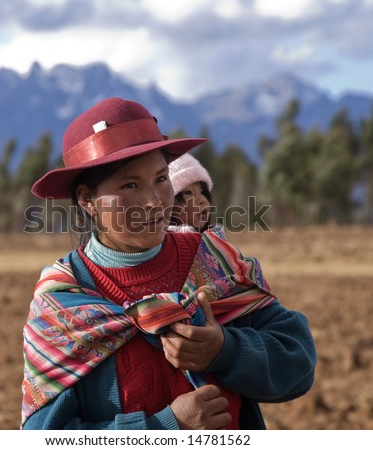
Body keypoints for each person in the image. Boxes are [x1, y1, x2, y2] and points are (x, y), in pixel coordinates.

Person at [21, 97, 316, 430]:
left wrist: (225, 351)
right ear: (88, 199)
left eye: (161, 180)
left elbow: (298, 363)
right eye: (130, 185)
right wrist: (164, 427)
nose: (153, 202)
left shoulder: (213, 261)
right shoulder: (63, 303)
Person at [168, 153, 214, 233]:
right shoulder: (162, 242)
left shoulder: (215, 236)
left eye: (203, 192)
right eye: (188, 192)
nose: (202, 200)